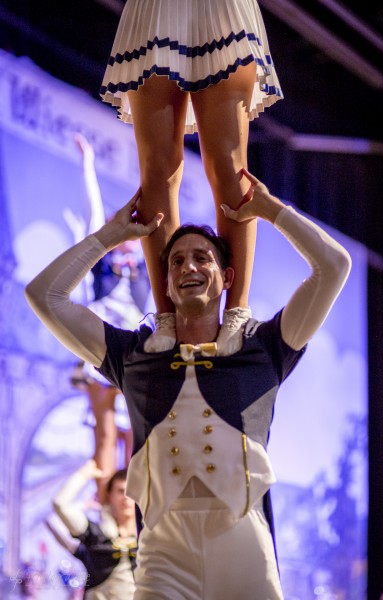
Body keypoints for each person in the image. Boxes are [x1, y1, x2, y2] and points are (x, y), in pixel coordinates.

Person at [25, 169, 351, 599]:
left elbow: (334, 267)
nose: (189, 267)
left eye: (202, 258)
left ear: (227, 278)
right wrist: (110, 235)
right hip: (164, 552)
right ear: (166, 285)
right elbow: (44, 295)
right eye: (177, 261)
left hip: (243, 545)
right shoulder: (133, 356)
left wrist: (271, 210)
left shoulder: (264, 347)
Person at [100, 0, 284, 355]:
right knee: (157, 169)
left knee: (229, 165)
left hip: (221, 9)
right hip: (155, 9)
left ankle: (236, 311)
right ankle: (166, 317)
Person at [66, 133, 151, 501]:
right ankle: (105, 501)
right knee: (103, 431)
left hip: (133, 342)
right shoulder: (102, 253)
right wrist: (88, 166)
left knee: (138, 429)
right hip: (102, 340)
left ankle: (135, 503)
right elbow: (93, 214)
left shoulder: (150, 264)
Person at [48, 459, 137, 599]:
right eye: (120, 491)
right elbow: (60, 505)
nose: (126, 498)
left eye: (131, 493)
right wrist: (84, 474)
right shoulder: (97, 536)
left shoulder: (148, 539)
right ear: (110, 495)